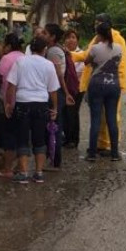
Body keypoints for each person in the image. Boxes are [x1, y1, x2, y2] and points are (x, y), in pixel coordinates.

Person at [3, 37, 59, 184]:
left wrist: (9, 104)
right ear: (44, 49)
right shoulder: (48, 64)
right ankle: (39, 173)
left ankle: (23, 173)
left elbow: (11, 86)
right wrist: (54, 108)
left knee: (22, 138)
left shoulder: (20, 61)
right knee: (39, 138)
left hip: (23, 103)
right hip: (41, 104)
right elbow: (53, 90)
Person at [77, 14, 126, 154]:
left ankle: (103, 148)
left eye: (98, 23)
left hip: (99, 84)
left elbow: (87, 59)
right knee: (109, 118)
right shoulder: (115, 46)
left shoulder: (109, 42)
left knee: (101, 118)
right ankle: (107, 148)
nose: (95, 25)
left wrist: (122, 81)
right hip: (112, 84)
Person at [0, 33, 25, 179]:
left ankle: (7, 169)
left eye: (4, 44)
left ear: (9, 46)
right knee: (21, 134)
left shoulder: (6, 59)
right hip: (24, 101)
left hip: (9, 101)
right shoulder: (25, 57)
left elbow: (0, 78)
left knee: (9, 135)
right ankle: (20, 166)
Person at [43, 23, 74, 165]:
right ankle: (53, 157)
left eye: (45, 33)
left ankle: (55, 160)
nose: (42, 35)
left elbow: (58, 75)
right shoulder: (55, 49)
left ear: (52, 37)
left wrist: (66, 92)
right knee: (54, 124)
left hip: (55, 92)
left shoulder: (53, 52)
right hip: (57, 91)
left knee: (53, 126)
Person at [62, 29, 83, 149]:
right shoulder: (62, 53)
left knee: (73, 113)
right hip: (64, 87)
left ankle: (73, 139)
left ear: (77, 40)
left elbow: (79, 72)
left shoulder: (81, 54)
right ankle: (67, 137)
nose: (70, 40)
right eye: (68, 37)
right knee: (65, 113)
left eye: (73, 37)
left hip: (77, 88)